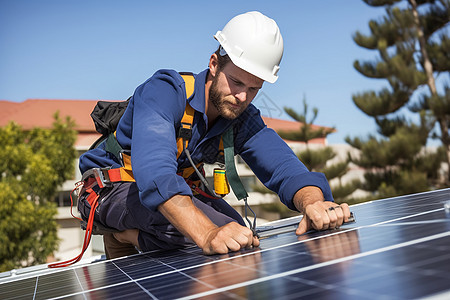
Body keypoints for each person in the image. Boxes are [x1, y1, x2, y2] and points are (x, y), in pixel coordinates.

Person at [78, 11, 351, 259]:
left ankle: (141, 237)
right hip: (110, 190)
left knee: (239, 234)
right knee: (201, 232)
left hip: (160, 195)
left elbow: (284, 168)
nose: (242, 96)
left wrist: (314, 203)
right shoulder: (164, 92)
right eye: (236, 81)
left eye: (254, 88)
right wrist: (207, 234)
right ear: (213, 64)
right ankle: (122, 235)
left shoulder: (240, 116)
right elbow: (156, 175)